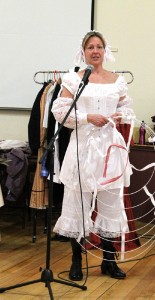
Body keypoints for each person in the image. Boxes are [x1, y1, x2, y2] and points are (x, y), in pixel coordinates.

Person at [51, 30, 135, 281]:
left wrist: (120, 116)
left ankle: (109, 261)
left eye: (99, 46)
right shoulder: (74, 79)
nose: (95, 51)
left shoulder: (117, 80)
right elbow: (59, 110)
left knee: (110, 203)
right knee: (78, 202)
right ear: (84, 52)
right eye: (90, 47)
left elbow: (127, 108)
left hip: (110, 147)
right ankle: (77, 259)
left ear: (105, 51)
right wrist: (88, 117)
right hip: (83, 147)